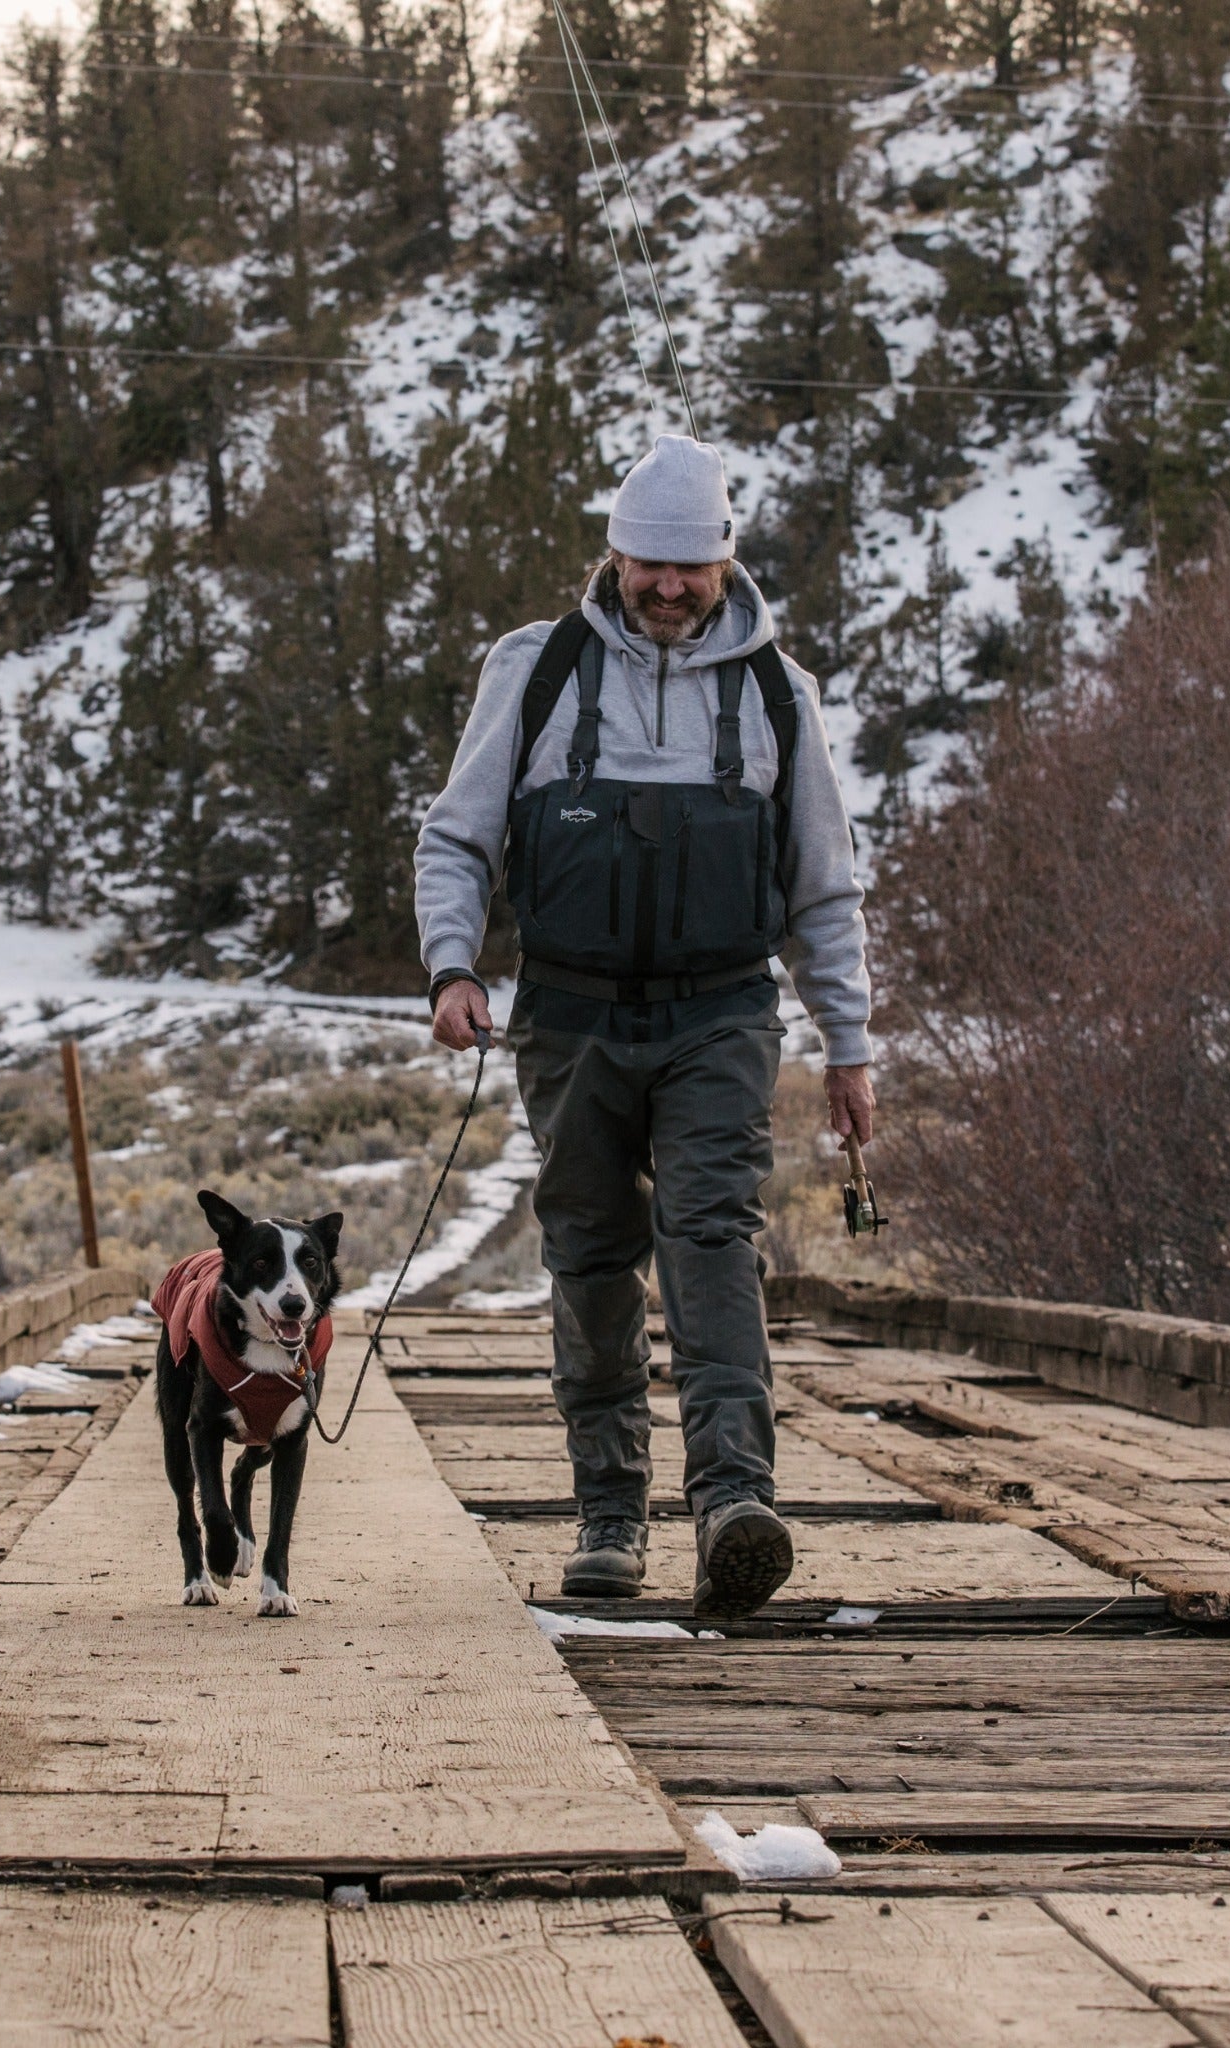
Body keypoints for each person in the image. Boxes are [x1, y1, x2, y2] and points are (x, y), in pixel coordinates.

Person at [413, 434, 876, 1624]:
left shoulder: (779, 693)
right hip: (566, 1019)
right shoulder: (534, 669)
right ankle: (607, 1512)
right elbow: (456, 840)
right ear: (612, 551)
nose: (667, 588)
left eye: (691, 568)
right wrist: (451, 968)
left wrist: (848, 1041)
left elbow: (822, 884)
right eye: (647, 564)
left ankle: (734, 1500)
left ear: (724, 560)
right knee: (589, 1253)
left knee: (710, 1233)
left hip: (720, 1012)